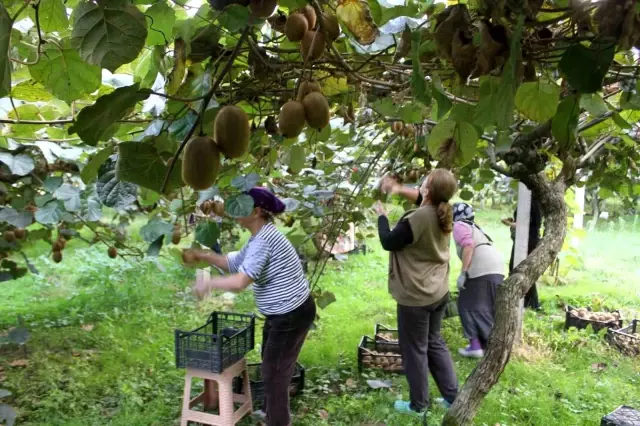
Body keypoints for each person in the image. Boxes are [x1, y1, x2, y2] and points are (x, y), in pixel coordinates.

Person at [189, 187, 316, 426]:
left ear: (257, 211)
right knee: (273, 365)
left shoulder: (264, 240)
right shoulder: (260, 236)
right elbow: (234, 263)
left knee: (273, 374)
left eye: (243, 205)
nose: (235, 210)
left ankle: (277, 421)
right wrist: (204, 256)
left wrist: (209, 283)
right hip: (285, 312)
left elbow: (240, 282)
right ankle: (271, 415)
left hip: (290, 314)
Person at [376, 169, 459, 416]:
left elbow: (389, 241)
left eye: (425, 181)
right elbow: (422, 202)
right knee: (434, 342)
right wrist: (400, 189)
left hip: (417, 297)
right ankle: (453, 398)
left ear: (428, 189)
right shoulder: (442, 211)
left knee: (414, 350)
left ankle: (419, 406)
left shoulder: (419, 217)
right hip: (438, 291)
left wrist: (382, 217)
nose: (421, 183)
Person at [452, 202, 504, 358]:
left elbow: (468, 246)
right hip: (496, 266)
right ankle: (491, 347)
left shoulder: (459, 225)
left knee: (466, 304)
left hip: (481, 267)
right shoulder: (475, 226)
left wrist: (463, 273)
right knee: (487, 306)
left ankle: (475, 346)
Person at [501, 198, 542, 310]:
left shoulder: (532, 203)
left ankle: (530, 303)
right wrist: (512, 221)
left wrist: (509, 223)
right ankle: (526, 301)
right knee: (517, 268)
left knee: (523, 269)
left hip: (528, 240)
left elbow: (526, 226)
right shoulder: (526, 200)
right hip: (523, 239)